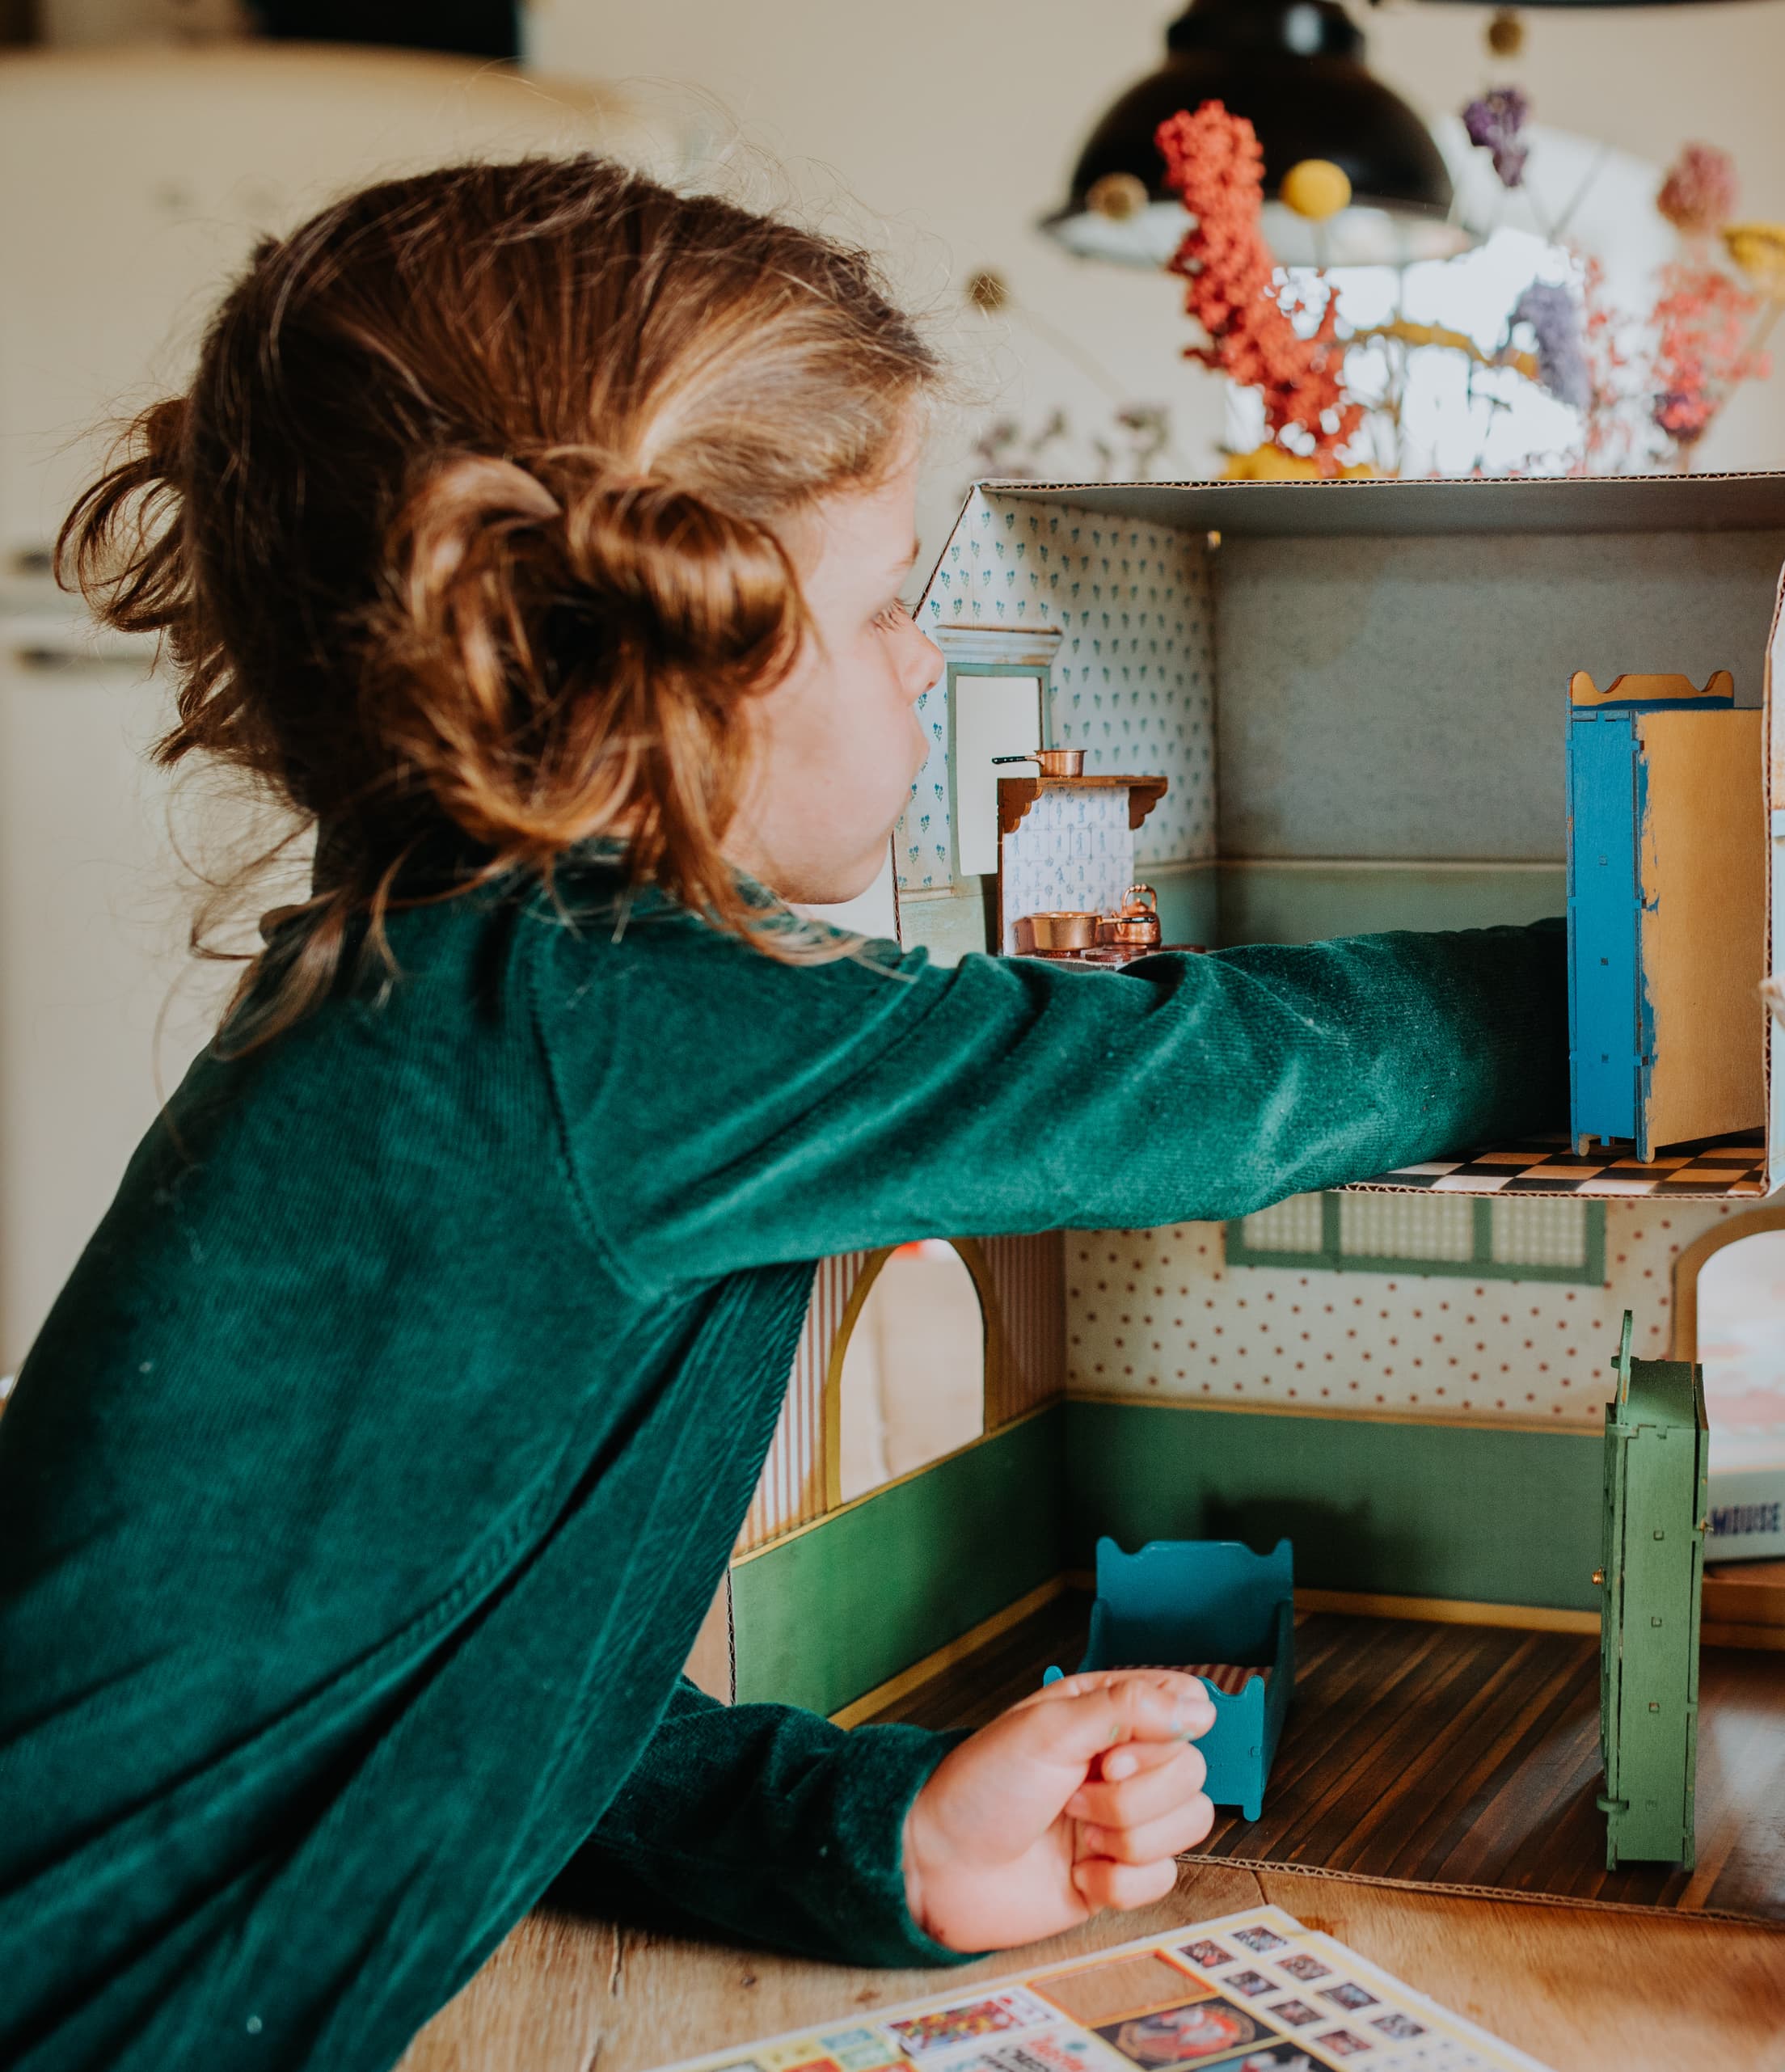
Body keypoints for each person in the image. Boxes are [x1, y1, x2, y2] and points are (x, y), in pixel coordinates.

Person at [0, 157, 1564, 2071]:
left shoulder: (455, 998)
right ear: (661, 669)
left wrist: (865, 1833)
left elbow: (469, 1696)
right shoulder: (578, 1015)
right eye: (885, 600)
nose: (925, 653)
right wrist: (1636, 975)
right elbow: (1215, 1078)